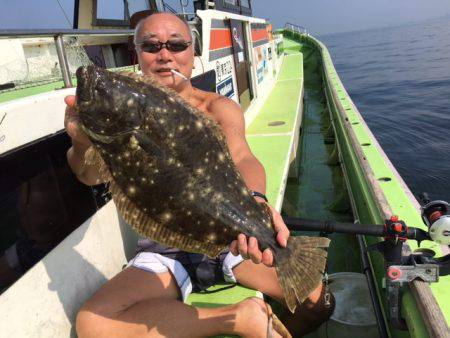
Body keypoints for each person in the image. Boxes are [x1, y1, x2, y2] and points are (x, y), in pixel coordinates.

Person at [66, 12, 334, 338]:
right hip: (164, 249)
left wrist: (256, 202)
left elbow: (242, 157)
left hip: (229, 242)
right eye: (151, 47)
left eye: (176, 45)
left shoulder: (217, 108)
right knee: (93, 324)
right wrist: (82, 142)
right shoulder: (120, 111)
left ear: (193, 54)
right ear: (137, 56)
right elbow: (90, 175)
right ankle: (240, 317)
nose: (164, 55)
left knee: (318, 299)